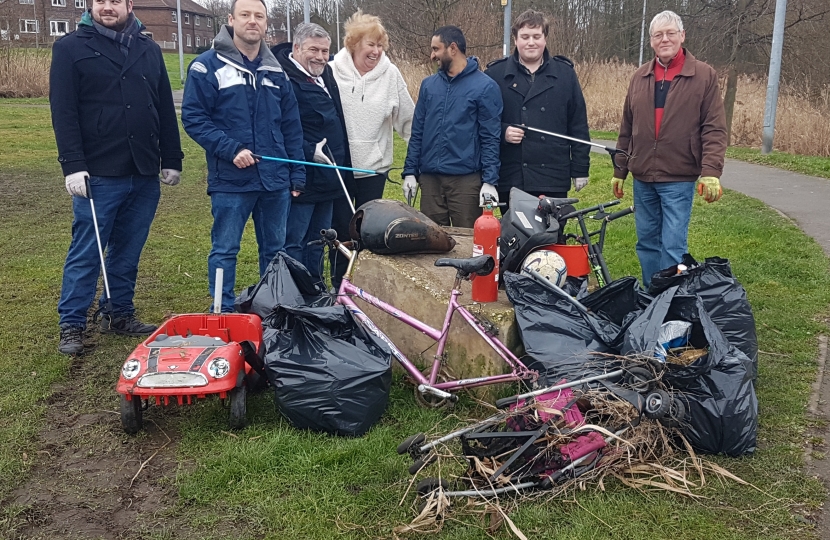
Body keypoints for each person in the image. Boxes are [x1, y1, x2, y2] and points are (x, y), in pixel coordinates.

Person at [50, 0, 183, 355]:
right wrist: (72, 164)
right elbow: (63, 110)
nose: (108, 7)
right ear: (91, 5)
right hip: (98, 171)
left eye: (116, 1)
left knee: (128, 249)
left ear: (128, 5)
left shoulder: (148, 48)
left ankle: (118, 312)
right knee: (87, 250)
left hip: (142, 169)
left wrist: (172, 157)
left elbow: (163, 107)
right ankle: (73, 323)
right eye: (101, 1)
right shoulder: (69, 48)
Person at [181, 0, 305, 311]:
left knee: (275, 249)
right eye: (246, 15)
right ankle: (221, 310)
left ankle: (273, 309)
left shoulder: (277, 71)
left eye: (259, 16)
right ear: (231, 20)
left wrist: (297, 174)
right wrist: (231, 149)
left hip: (275, 180)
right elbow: (194, 118)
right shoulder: (206, 66)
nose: (253, 21)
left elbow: (291, 125)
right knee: (224, 249)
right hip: (231, 181)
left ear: (266, 23)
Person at [611, 10, 726, 288]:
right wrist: (620, 169)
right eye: (658, 35)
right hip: (643, 178)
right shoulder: (640, 77)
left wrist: (711, 171)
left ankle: (671, 302)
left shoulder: (703, 76)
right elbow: (628, 128)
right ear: (651, 41)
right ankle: (652, 297)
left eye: (670, 33)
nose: (665, 39)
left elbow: (714, 128)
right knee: (647, 243)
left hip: (678, 176)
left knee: (673, 246)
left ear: (682, 36)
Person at [329, 10, 415, 286]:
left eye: (380, 45)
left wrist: (416, 164)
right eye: (370, 44)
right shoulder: (331, 71)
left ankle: (362, 289)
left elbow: (409, 121)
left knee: (366, 233)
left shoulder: (390, 75)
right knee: (341, 233)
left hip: (373, 170)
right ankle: (338, 287)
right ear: (354, 44)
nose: (376, 51)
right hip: (339, 168)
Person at [484, 9, 590, 211]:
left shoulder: (565, 74)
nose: (530, 42)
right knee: (515, 237)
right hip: (512, 175)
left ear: (545, 38)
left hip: (552, 175)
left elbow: (578, 124)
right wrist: (503, 131)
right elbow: (483, 122)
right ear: (515, 39)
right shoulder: (495, 75)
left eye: (536, 36)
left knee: (551, 237)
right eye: (524, 37)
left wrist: (580, 169)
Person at [272, 23, 352, 281]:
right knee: (295, 239)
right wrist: (308, 151)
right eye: (313, 50)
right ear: (296, 48)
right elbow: (277, 127)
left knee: (320, 238)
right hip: (302, 176)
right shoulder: (282, 77)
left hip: (330, 173)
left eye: (325, 51)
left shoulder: (325, 73)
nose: (320, 56)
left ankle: (315, 289)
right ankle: (295, 291)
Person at [402, 25, 502, 228]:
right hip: (430, 180)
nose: (432, 55)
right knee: (430, 240)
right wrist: (410, 172)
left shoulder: (485, 87)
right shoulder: (428, 86)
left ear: (453, 48)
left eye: (436, 49)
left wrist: (490, 181)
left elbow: (490, 137)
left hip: (465, 181)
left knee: (467, 242)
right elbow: (418, 131)